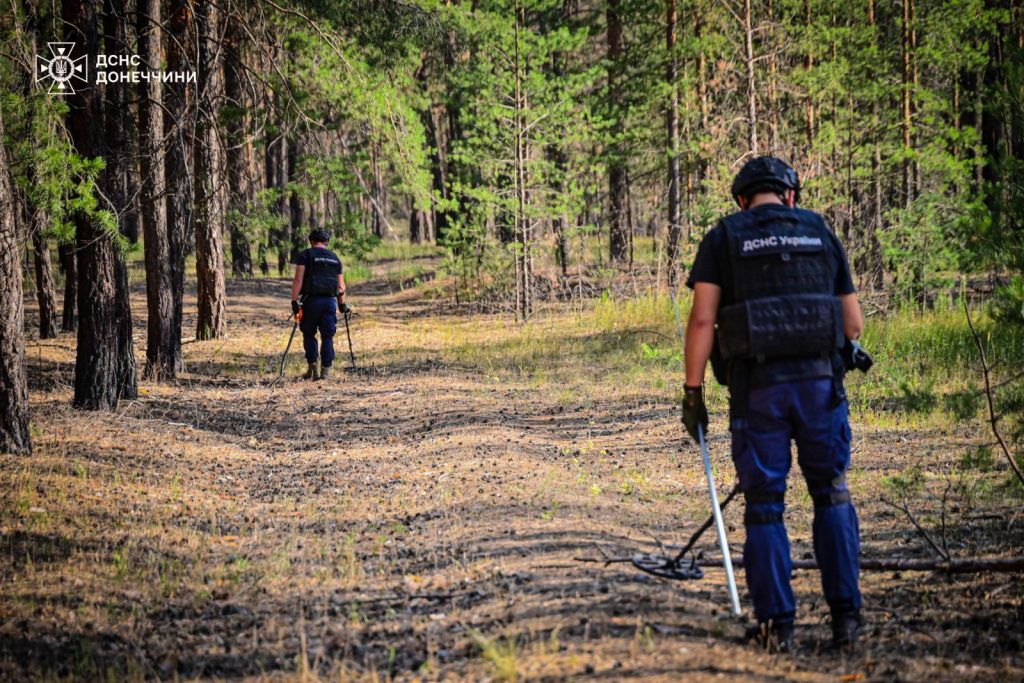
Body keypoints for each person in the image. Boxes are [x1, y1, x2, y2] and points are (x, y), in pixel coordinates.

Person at [681, 156, 865, 653]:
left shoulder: (724, 237)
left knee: (764, 505)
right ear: (790, 196)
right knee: (830, 492)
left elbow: (702, 321)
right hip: (820, 387)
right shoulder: (819, 231)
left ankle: (777, 628)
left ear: (743, 199)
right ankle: (846, 620)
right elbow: (852, 326)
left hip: (758, 390)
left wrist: (693, 392)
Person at [290, 229, 351, 381]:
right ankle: (326, 371)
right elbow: (341, 286)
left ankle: (312, 368)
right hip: (330, 302)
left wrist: (294, 301)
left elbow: (298, 280)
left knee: (309, 334)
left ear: (311, 241)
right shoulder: (335, 258)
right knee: (327, 335)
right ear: (326, 242)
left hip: (310, 301)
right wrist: (342, 305)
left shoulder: (305, 255)